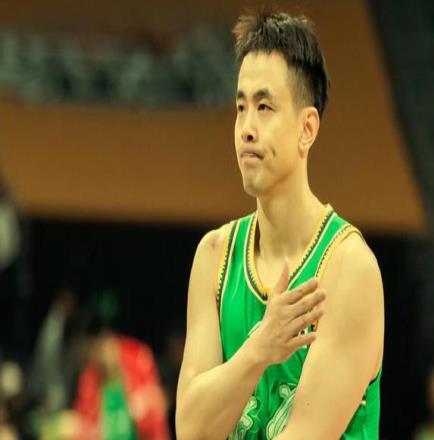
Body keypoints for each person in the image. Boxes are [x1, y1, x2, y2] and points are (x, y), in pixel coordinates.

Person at [176, 11, 384, 440]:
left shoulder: (348, 270)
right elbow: (191, 429)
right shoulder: (214, 257)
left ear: (307, 129)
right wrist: (259, 349)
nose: (246, 129)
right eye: (240, 108)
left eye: (264, 107)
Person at [74, 293, 170, 440]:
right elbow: (84, 423)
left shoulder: (139, 357)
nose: (97, 358)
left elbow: (157, 405)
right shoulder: (89, 376)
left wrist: (141, 408)